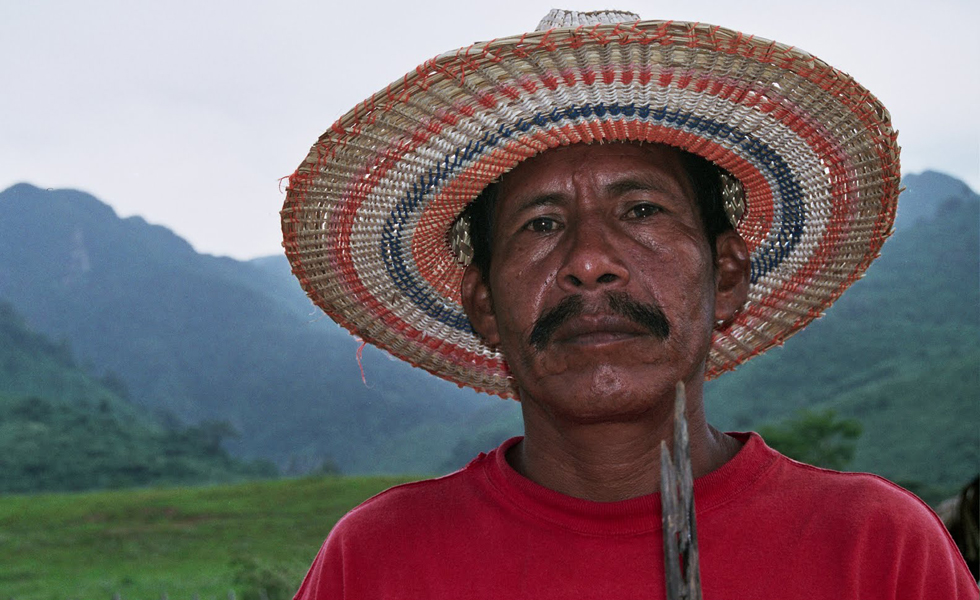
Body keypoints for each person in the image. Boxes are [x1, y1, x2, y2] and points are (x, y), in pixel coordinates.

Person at [281, 9, 979, 598]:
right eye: (541, 224)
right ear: (485, 303)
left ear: (728, 274)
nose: (590, 262)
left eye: (642, 210)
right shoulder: (378, 562)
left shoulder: (874, 551)